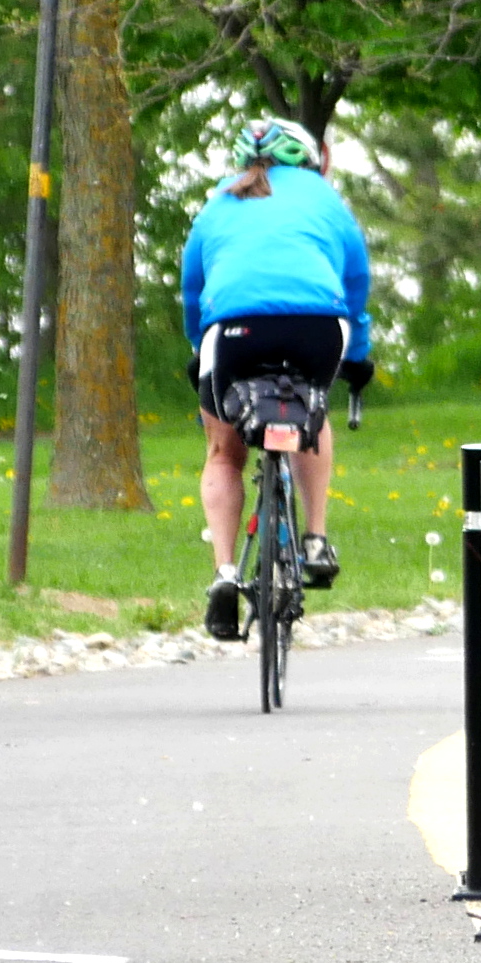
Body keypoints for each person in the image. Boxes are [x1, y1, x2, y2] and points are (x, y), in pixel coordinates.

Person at [179, 118, 373, 640]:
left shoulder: (219, 202)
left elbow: (192, 287)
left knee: (222, 452)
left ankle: (223, 573)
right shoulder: (327, 201)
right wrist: (359, 356)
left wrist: (201, 350)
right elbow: (356, 285)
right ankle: (314, 538)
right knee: (312, 408)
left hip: (233, 329)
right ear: (310, 160)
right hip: (317, 327)